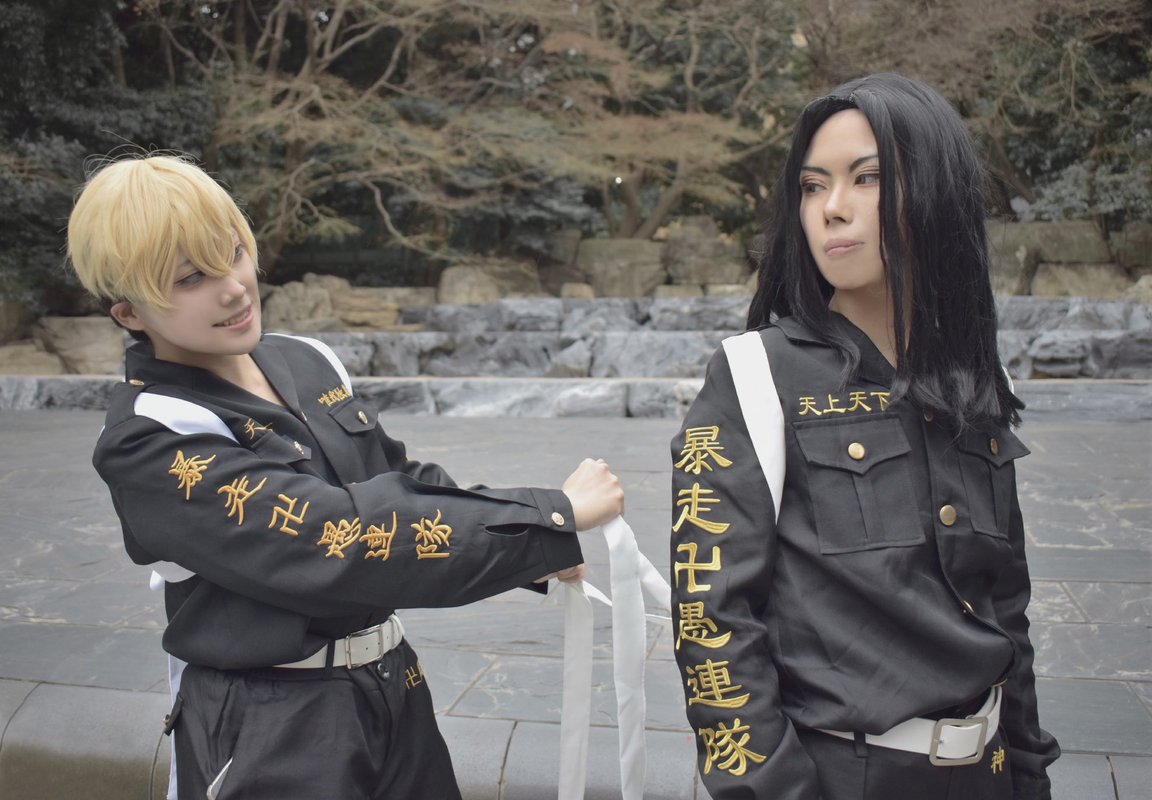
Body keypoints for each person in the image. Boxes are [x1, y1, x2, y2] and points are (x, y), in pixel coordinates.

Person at [66, 154, 624, 800]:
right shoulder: (150, 437)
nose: (235, 288)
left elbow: (397, 475)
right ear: (129, 313)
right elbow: (334, 539)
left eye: (234, 252)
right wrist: (545, 517)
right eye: (192, 278)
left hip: (393, 689)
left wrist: (532, 548)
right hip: (272, 724)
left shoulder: (304, 359)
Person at [670, 73, 1059, 799]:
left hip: (989, 773)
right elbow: (712, 624)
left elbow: (1006, 604)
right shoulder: (756, 376)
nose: (832, 208)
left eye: (867, 178)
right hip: (844, 776)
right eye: (812, 186)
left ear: (935, 191)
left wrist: (1029, 773)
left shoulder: (974, 378)